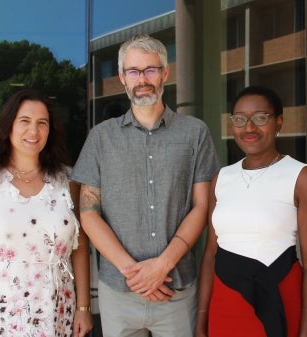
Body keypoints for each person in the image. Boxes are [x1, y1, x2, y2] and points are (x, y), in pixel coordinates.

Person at [70, 34, 220, 337]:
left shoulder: (195, 133)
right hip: (119, 291)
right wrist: (135, 273)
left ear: (165, 73)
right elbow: (88, 213)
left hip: (176, 288)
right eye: (134, 71)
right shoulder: (101, 138)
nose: (143, 79)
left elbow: (202, 207)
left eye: (151, 69)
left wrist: (161, 267)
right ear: (122, 78)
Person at [0, 89, 93, 337]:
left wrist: (84, 306)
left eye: (42, 123)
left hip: (58, 312)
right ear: (8, 127)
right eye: (24, 121)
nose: (34, 131)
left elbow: (80, 247)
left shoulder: (66, 181)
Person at [196, 86, 307, 337]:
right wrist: (201, 320)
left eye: (260, 118)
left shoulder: (301, 177)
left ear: (278, 122)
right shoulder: (221, 178)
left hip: (278, 298)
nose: (249, 127)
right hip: (224, 305)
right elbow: (211, 254)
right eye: (239, 119)